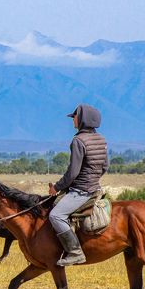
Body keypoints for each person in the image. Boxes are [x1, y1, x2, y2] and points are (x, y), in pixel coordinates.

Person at [48, 103, 108, 266]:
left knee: (55, 215)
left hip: (81, 191)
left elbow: (72, 173)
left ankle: (75, 253)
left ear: (82, 119)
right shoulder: (101, 139)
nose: (73, 120)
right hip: (95, 188)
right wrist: (93, 179)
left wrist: (56, 187)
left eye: (74, 117)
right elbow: (105, 167)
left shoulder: (78, 141)